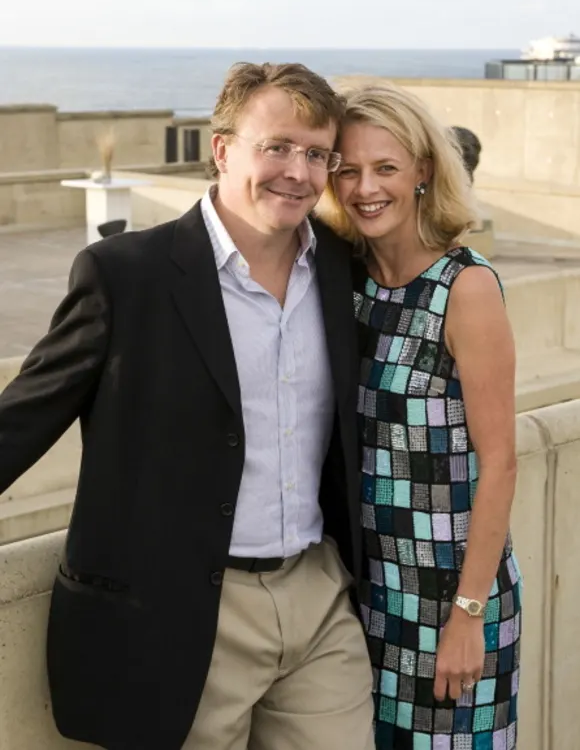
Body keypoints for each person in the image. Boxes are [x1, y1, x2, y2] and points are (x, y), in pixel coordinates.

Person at [0, 63, 375, 750]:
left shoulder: (340, 270)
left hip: (319, 595)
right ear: (223, 148)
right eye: (278, 146)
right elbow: (21, 418)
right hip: (184, 613)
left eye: (317, 153)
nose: (298, 171)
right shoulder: (126, 275)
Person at [319, 83, 522, 750]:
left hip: (451, 601)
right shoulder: (346, 280)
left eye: (385, 168)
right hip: (369, 597)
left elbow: (499, 462)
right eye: (347, 169)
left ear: (423, 171)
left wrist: (468, 615)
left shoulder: (464, 287)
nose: (364, 188)